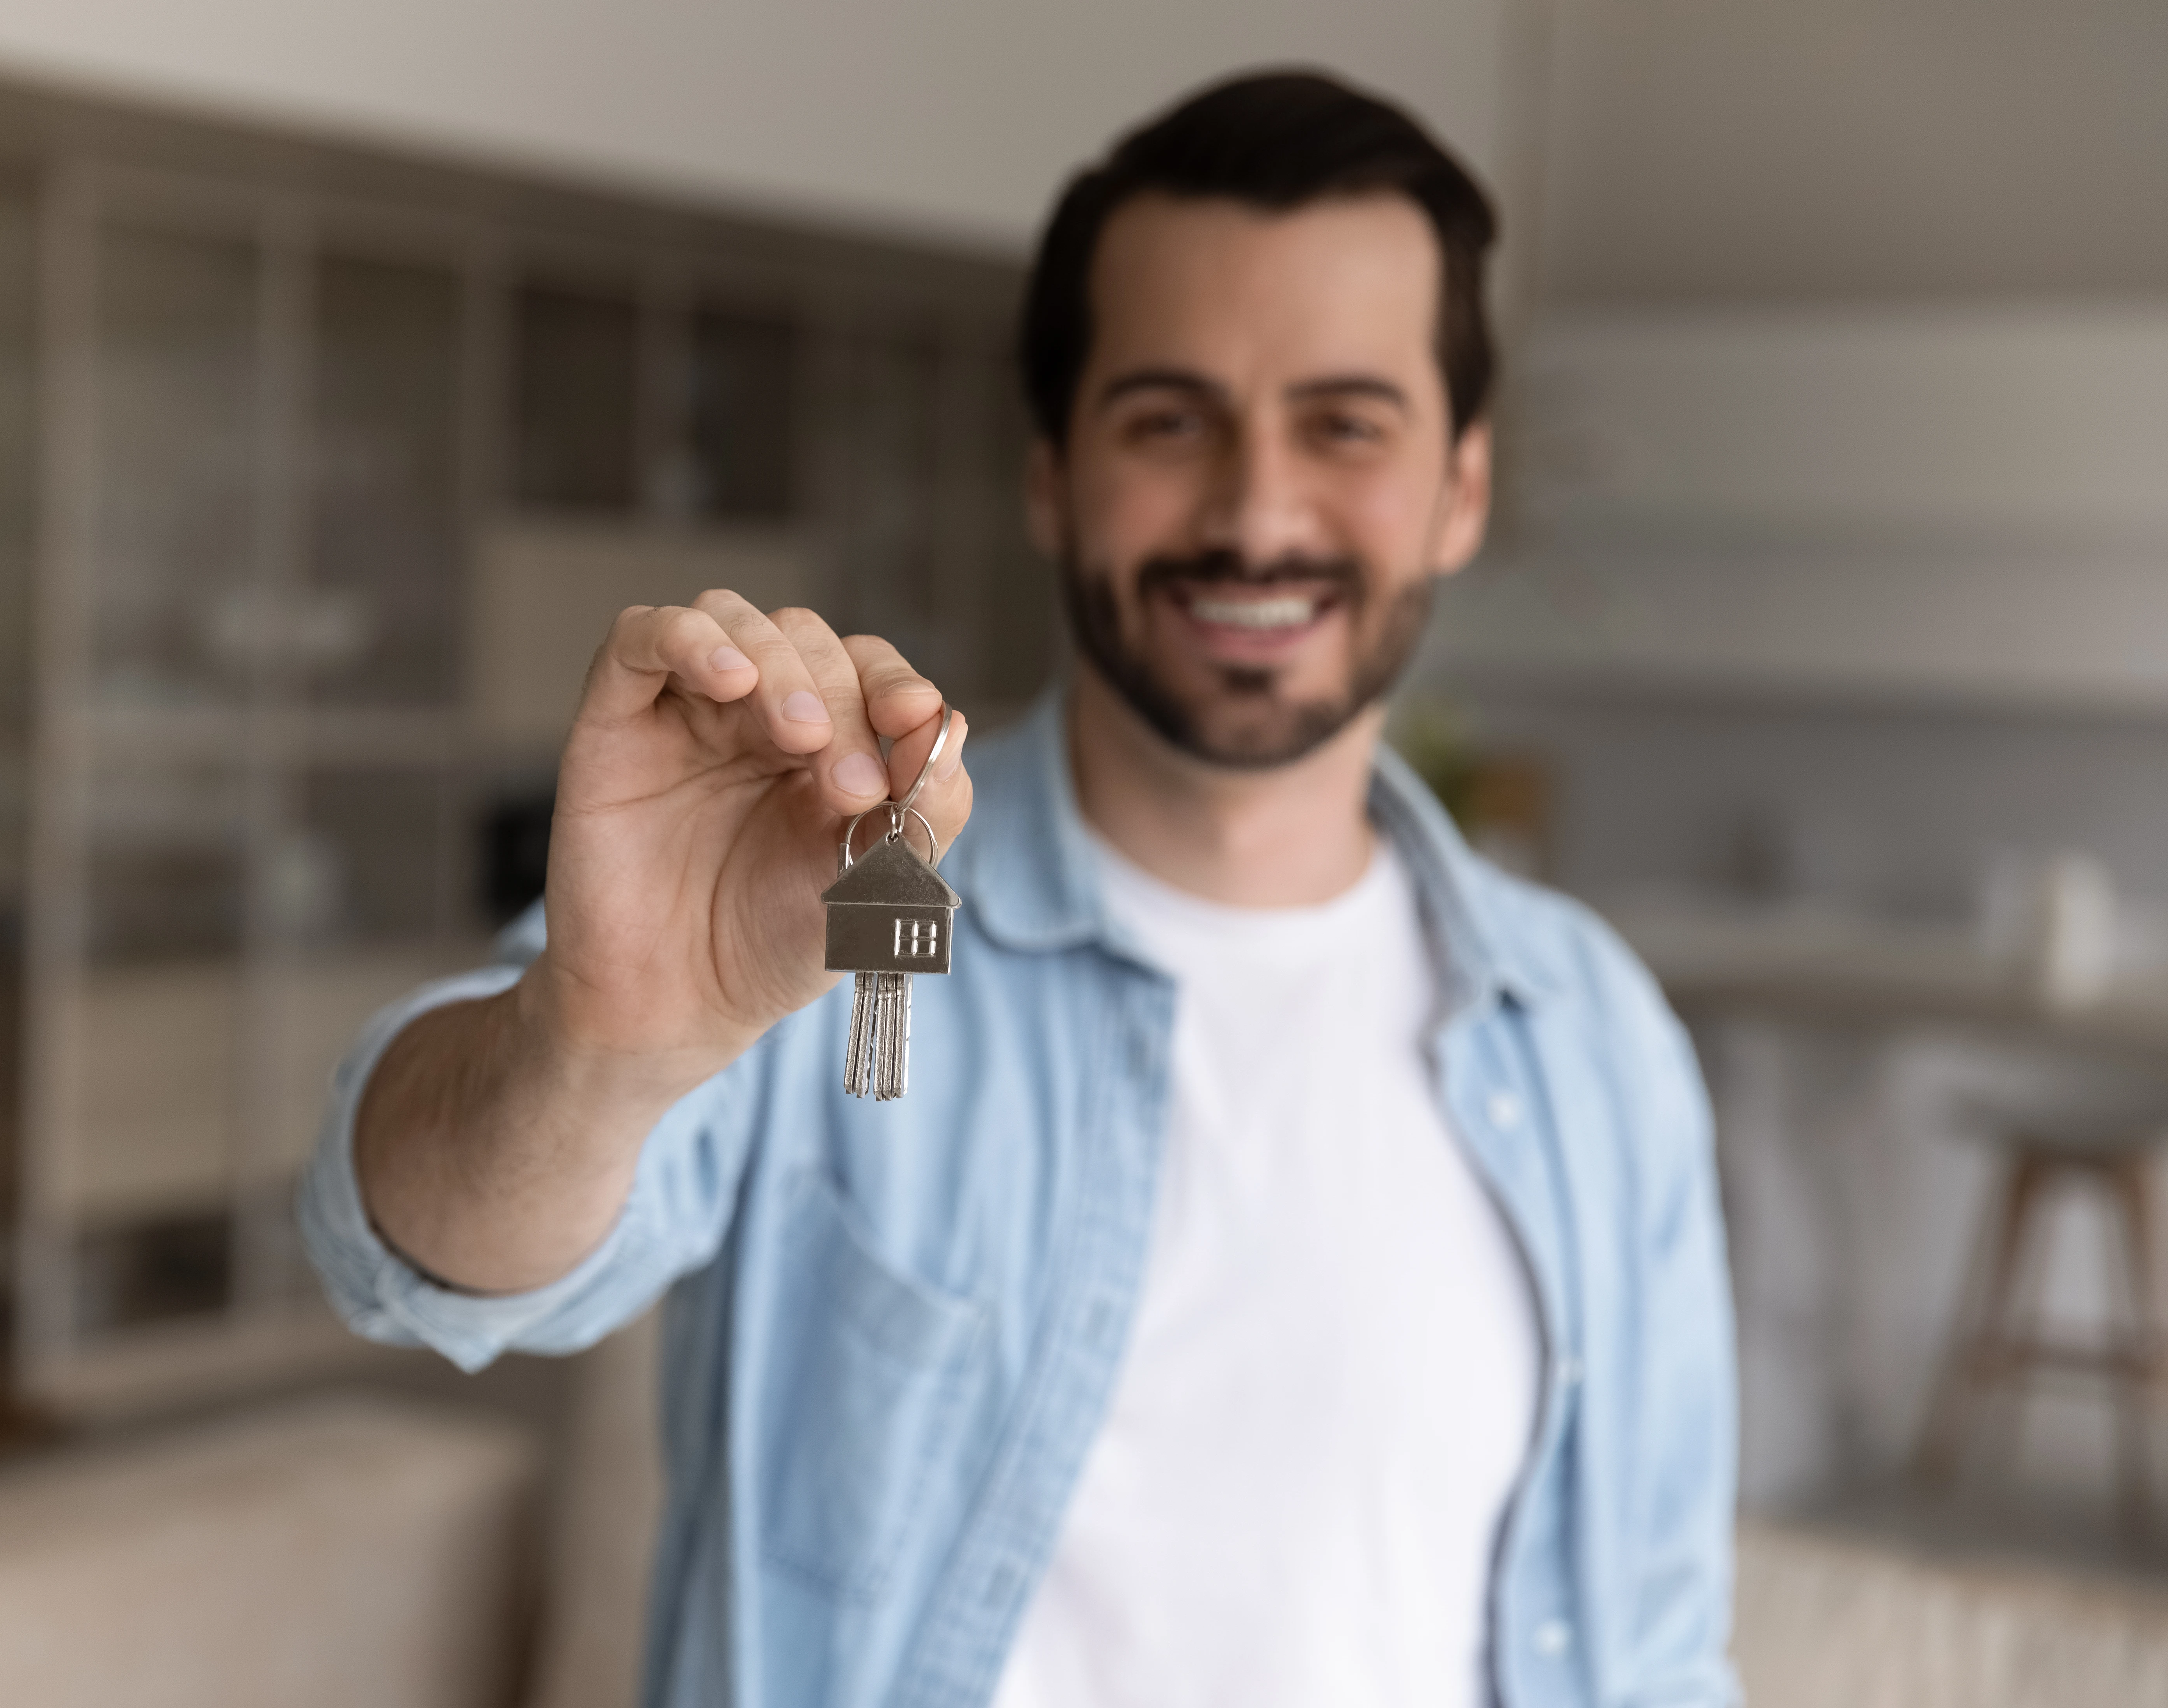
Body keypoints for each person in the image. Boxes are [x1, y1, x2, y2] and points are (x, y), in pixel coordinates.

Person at [303, 68, 1735, 1708]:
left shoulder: (1596, 1035)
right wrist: (594, 1044)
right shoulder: (839, 905)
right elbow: (411, 1258)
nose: (1258, 511)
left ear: (1461, 489)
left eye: (1345, 422)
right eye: (1169, 418)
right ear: (1052, 474)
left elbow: (1662, 1641)